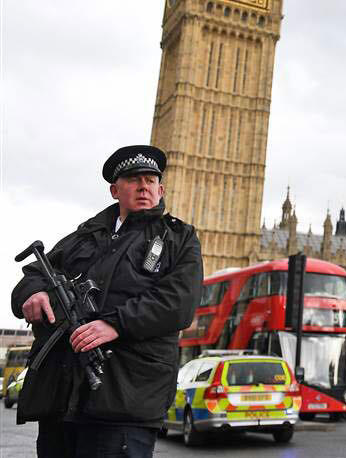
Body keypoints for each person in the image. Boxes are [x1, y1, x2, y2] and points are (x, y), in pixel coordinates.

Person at [11, 145, 203, 458]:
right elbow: (36, 271)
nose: (143, 186)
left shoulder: (178, 238)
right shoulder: (86, 235)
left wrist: (116, 324)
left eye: (150, 180)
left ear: (161, 188)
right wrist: (32, 292)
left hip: (126, 398)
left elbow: (179, 301)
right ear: (115, 190)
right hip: (62, 399)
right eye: (133, 179)